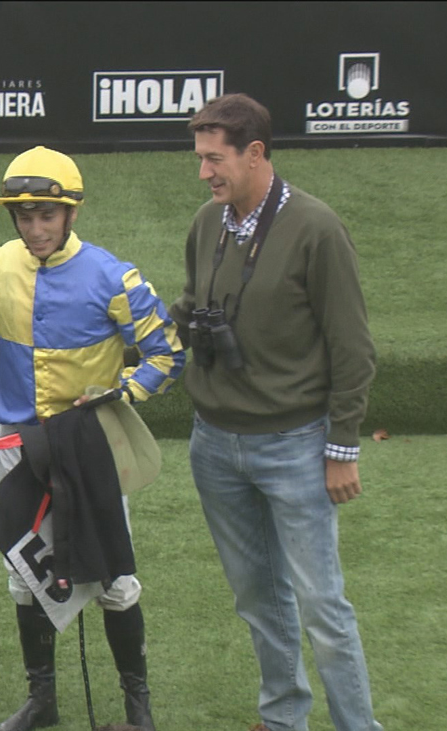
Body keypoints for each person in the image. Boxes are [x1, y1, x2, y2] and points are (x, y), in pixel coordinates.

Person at [168, 93, 382, 731]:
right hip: (215, 446)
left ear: (255, 154)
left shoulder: (316, 228)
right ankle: (284, 717)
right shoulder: (208, 224)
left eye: (214, 159)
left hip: (294, 445)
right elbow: (190, 313)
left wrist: (341, 447)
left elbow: (354, 349)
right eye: (200, 158)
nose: (204, 172)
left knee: (323, 606)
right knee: (258, 598)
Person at [0, 146, 185, 731]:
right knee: (25, 572)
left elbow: (167, 351)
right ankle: (42, 702)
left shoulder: (114, 276)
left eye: (46, 216)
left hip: (92, 446)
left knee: (115, 577)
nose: (34, 229)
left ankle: (139, 708)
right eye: (24, 217)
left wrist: (120, 394)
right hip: (18, 445)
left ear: (71, 213)